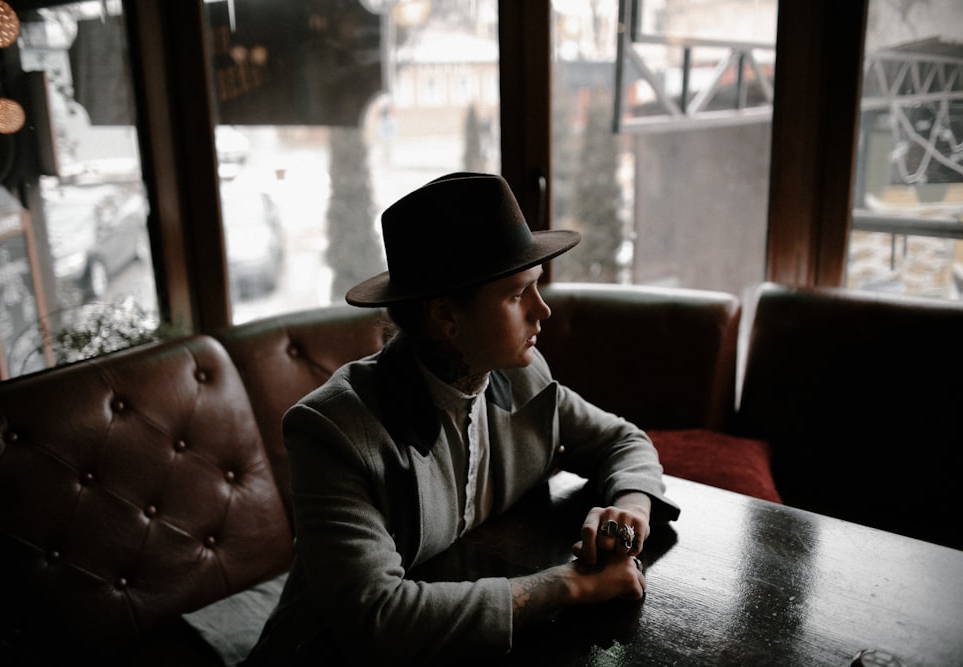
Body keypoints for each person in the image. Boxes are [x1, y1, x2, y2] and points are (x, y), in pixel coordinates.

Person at [243, 172, 680, 665]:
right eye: (518, 295)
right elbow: (377, 619)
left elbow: (623, 440)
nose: (544, 311)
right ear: (446, 317)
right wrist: (571, 585)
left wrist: (630, 508)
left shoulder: (522, 374)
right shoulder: (333, 431)